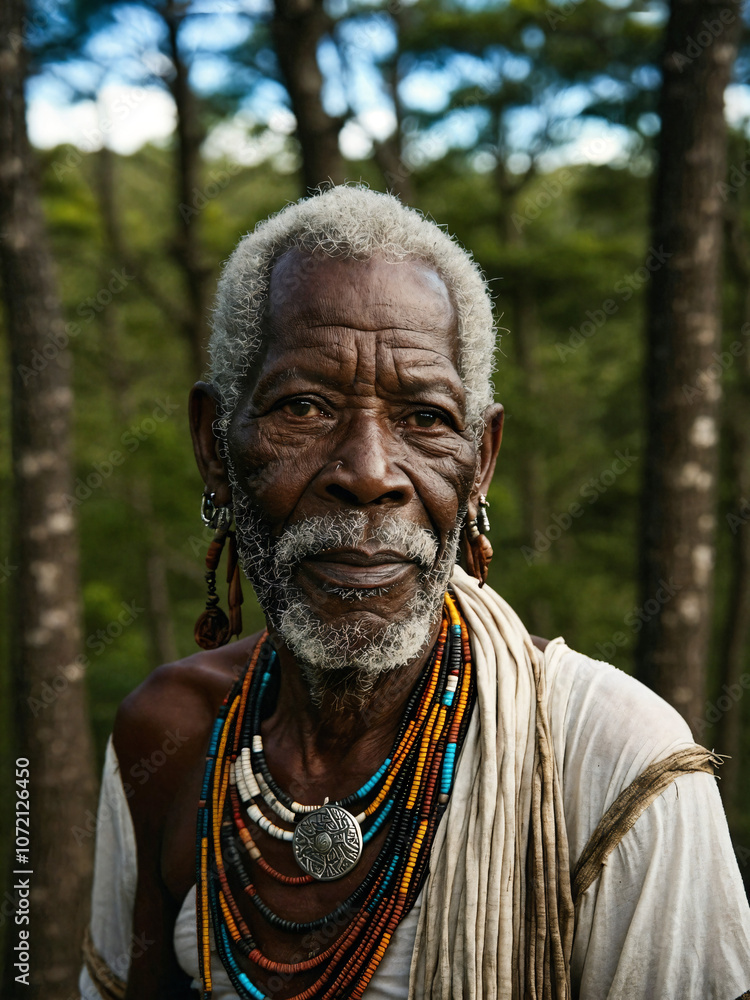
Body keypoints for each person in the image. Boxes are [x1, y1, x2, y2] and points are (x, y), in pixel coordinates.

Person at [80, 185, 750, 1000]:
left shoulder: (613, 764)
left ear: (482, 459)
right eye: (302, 405)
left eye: (425, 417)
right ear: (215, 447)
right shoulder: (170, 734)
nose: (367, 472)